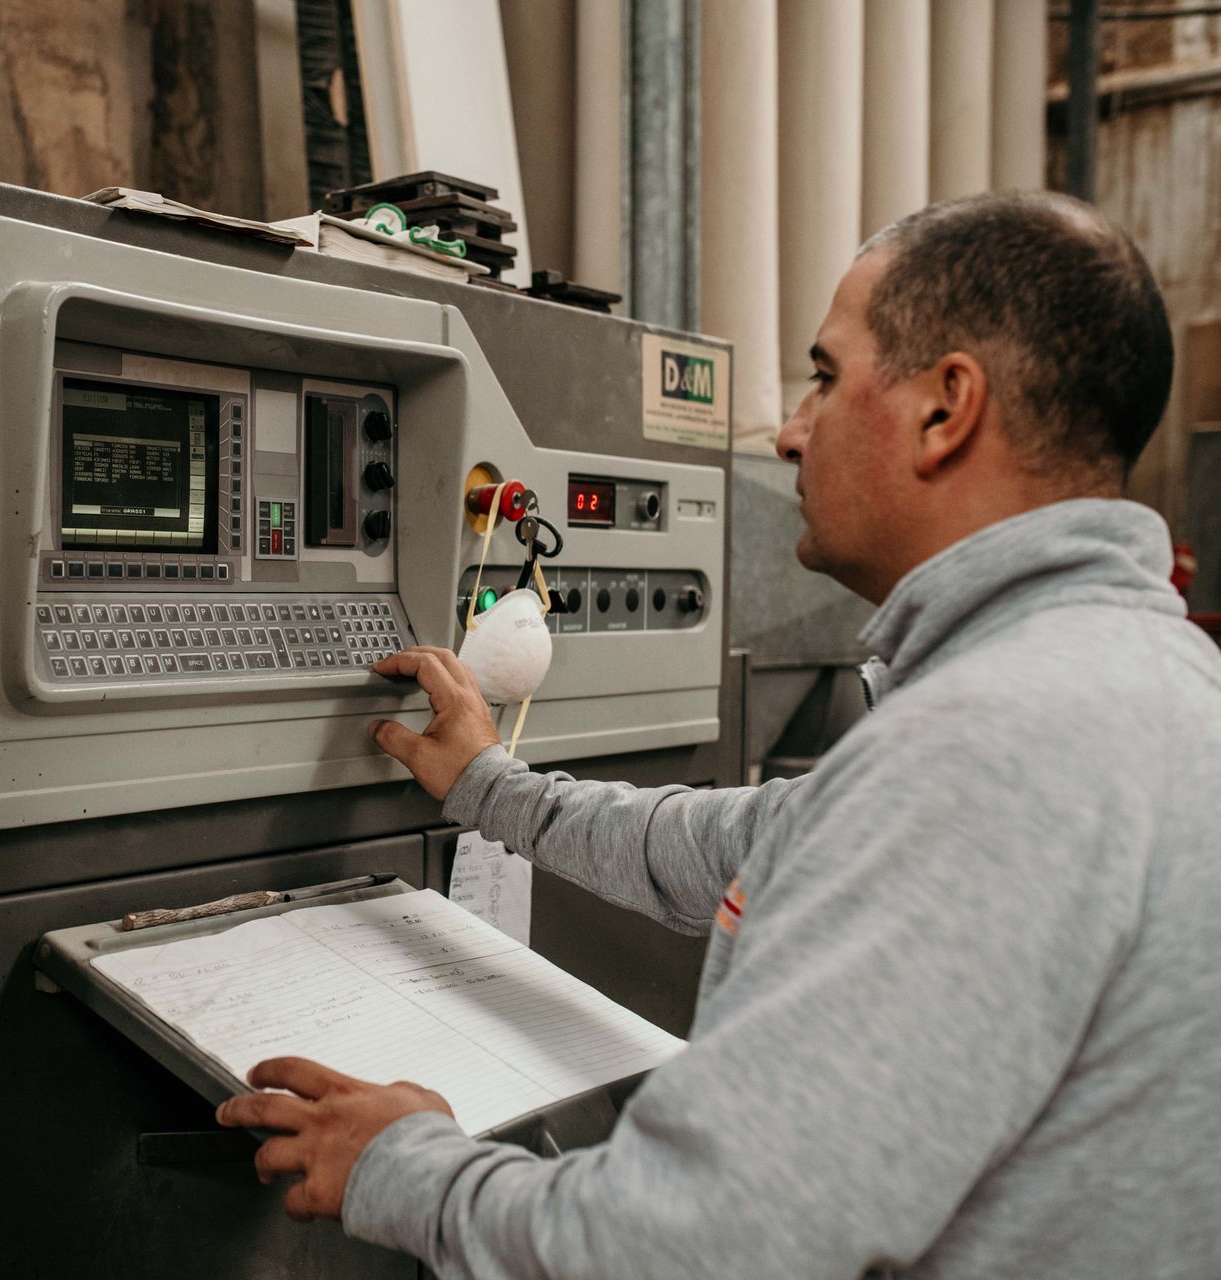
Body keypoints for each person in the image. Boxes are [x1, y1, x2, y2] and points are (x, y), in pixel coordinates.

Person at [216, 191, 1221, 1277]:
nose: (790, 432)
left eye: (825, 377)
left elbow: (686, 1243)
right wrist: (489, 784)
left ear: (947, 409)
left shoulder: (983, 750)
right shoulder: (1153, 684)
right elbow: (738, 842)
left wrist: (406, 1166)